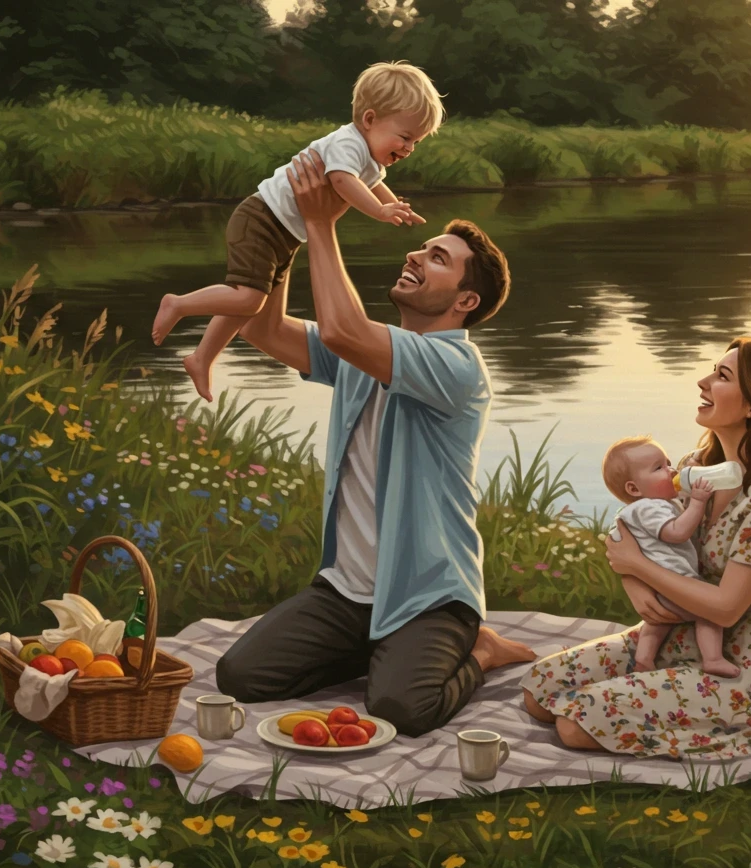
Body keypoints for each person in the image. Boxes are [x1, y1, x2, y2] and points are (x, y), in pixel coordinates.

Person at [214, 147, 535, 737]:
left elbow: (342, 329)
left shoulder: (456, 367)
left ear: (466, 302)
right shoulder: (370, 350)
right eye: (423, 246)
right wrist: (282, 233)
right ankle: (375, 649)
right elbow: (261, 327)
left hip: (427, 593)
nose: (415, 253)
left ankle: (481, 649)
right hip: (347, 589)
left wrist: (318, 223)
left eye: (437, 258)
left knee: (403, 709)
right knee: (241, 675)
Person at [522, 338, 751, 759]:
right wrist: (635, 585)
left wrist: (639, 567)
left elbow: (726, 608)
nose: (703, 382)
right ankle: (653, 687)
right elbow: (631, 530)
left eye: (722, 377)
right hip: (677, 634)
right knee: (539, 690)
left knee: (574, 724)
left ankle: (734, 715)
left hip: (745, 664)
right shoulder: (692, 469)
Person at [151, 61, 441, 402]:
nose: (409, 148)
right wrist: (379, 211)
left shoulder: (370, 159)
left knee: (248, 304)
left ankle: (201, 357)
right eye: (405, 137)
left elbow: (374, 184)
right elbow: (342, 181)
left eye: (416, 142)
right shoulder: (347, 144)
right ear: (370, 120)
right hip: (262, 219)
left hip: (286, 231)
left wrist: (397, 207)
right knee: (247, 298)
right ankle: (178, 304)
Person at [601, 436, 736, 677]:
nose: (672, 470)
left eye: (668, 462)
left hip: (657, 586)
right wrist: (697, 502)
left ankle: (644, 658)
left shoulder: (643, 508)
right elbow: (677, 532)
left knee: (657, 624)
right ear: (634, 489)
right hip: (675, 581)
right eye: (659, 468)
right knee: (708, 614)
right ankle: (713, 658)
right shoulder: (649, 507)